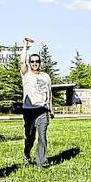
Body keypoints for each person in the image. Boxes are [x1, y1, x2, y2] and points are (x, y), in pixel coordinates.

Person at [19, 37, 52, 167]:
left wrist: (51, 108)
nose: (34, 63)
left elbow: (49, 93)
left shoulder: (46, 76)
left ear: (40, 62)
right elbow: (22, 62)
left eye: (37, 61)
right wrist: (25, 47)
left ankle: (41, 162)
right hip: (29, 111)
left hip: (42, 110)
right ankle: (27, 154)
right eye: (32, 61)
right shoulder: (26, 74)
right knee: (30, 137)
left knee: (42, 137)